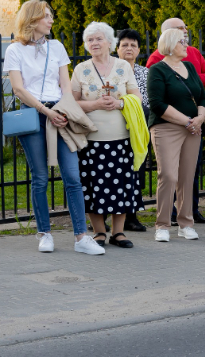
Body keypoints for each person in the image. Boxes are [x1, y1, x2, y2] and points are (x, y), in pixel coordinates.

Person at [3, 0, 104, 256]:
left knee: (72, 176)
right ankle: (44, 233)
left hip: (59, 113)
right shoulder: (14, 50)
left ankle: (81, 236)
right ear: (33, 20)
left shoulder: (56, 47)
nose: (51, 20)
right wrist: (45, 111)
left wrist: (62, 110)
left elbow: (65, 86)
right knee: (39, 177)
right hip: (34, 114)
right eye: (47, 16)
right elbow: (18, 89)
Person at [71, 21, 142, 249]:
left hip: (120, 139)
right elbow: (71, 103)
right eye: (90, 40)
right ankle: (99, 232)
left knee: (120, 185)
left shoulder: (123, 66)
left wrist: (120, 103)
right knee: (93, 187)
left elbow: (137, 98)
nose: (94, 43)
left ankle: (119, 233)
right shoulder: (81, 69)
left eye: (98, 39)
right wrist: (95, 104)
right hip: (91, 140)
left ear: (110, 43)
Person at [147, 18, 205, 224]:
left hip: (193, 128)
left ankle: (186, 223)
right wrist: (187, 120)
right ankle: (163, 224)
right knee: (168, 176)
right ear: (169, 43)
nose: (186, 43)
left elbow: (203, 95)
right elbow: (157, 104)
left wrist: (200, 118)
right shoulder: (157, 68)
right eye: (181, 41)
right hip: (167, 128)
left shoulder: (190, 67)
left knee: (186, 177)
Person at [115, 29, 149, 233]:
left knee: (136, 171)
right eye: (124, 45)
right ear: (117, 49)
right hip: (115, 127)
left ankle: (131, 217)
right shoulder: (111, 70)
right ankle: (114, 215)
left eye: (133, 45)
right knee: (116, 172)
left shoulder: (145, 73)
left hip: (139, 126)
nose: (129, 48)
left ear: (138, 50)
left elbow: (148, 100)